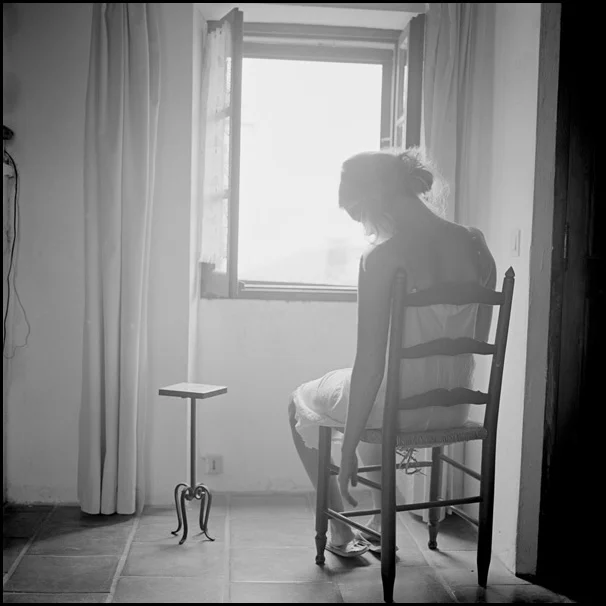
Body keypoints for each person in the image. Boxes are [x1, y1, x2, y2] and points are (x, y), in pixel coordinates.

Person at [288, 148, 496, 558]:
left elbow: (369, 366)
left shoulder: (381, 259)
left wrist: (348, 448)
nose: (366, 227)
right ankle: (380, 524)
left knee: (300, 403)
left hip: (397, 409)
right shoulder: (475, 243)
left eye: (359, 215)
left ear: (374, 200)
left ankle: (340, 532)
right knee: (370, 393)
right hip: (454, 407)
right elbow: (480, 336)